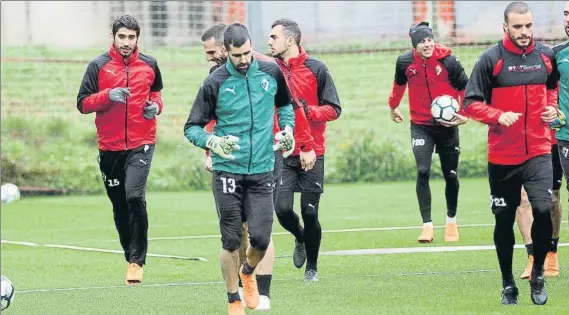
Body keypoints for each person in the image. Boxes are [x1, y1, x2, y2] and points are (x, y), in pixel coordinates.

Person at [198, 23, 314, 311]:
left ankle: (263, 293)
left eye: (212, 52)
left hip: (267, 156)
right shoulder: (217, 78)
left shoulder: (268, 70)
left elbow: (291, 107)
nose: (210, 57)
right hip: (232, 162)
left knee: (262, 230)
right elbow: (213, 120)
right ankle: (236, 291)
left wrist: (303, 142)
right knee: (237, 233)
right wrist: (210, 147)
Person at [462, 1, 558, 305]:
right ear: (505, 28)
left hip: (540, 150)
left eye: (528, 25)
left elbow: (552, 87)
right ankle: (507, 285)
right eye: (518, 26)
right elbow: (470, 103)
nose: (524, 32)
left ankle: (538, 273)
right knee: (503, 220)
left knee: (543, 210)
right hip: (503, 156)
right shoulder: (491, 60)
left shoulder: (546, 55)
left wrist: (552, 106)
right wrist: (495, 115)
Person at [76, 15, 163, 285]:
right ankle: (130, 255)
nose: (126, 42)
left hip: (142, 142)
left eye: (131, 37)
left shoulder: (149, 64)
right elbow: (82, 103)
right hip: (110, 147)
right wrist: (107, 96)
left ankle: (137, 260)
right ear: (113, 37)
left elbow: (156, 94)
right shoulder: (98, 66)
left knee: (134, 196)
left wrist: (155, 107)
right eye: (122, 37)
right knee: (120, 204)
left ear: (138, 38)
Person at [268, 19, 341, 281]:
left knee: (310, 212)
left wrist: (308, 111)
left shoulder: (317, 69)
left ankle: (312, 267)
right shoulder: (267, 69)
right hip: (281, 150)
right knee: (282, 208)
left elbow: (334, 109)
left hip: (313, 150)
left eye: (274, 37)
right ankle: (299, 237)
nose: (269, 42)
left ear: (290, 40)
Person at [388, 21, 469, 243]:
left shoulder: (449, 61)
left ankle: (451, 221)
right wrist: (393, 106)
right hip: (421, 125)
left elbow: (466, 88)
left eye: (429, 39)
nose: (427, 44)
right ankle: (427, 226)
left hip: (448, 126)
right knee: (423, 171)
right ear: (415, 44)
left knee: (450, 174)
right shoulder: (405, 62)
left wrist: (463, 113)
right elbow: (398, 85)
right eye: (422, 41)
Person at [517, 132, 563, 279]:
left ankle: (551, 251)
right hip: (520, 141)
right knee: (521, 198)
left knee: (553, 199)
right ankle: (532, 256)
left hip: (552, 141)